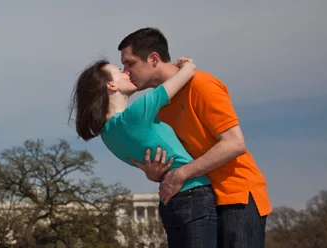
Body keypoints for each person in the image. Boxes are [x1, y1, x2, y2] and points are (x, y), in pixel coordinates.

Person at [117, 27, 271, 248]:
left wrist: (182, 174)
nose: (126, 71)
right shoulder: (159, 106)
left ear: (153, 59)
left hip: (236, 196)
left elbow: (235, 143)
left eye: (129, 63)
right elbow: (181, 158)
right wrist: (159, 174)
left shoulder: (201, 84)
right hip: (201, 202)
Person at [70, 56, 217, 248]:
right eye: (120, 72)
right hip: (194, 192)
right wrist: (184, 64)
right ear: (111, 85)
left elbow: (152, 163)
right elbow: (188, 72)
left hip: (169, 201)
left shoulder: (108, 135)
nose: (127, 72)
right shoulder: (136, 114)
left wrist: (155, 176)